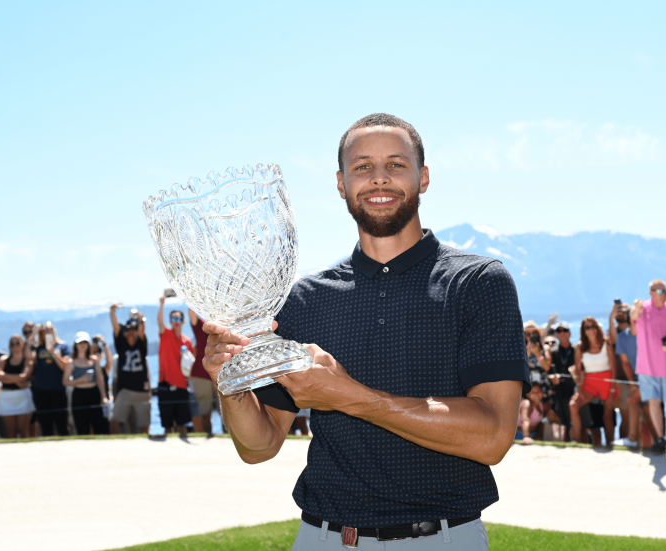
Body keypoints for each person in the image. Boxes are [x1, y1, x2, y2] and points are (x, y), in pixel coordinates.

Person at [202, 113, 526, 549]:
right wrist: (231, 384)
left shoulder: (477, 283)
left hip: (440, 538)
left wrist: (347, 396)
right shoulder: (305, 298)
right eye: (362, 167)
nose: (379, 179)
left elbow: (492, 437)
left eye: (396, 164)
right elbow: (258, 447)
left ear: (423, 177)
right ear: (341, 184)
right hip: (323, 537)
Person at [630, 279, 666, 453]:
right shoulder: (643, 308)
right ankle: (660, 439)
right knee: (653, 402)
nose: (663, 295)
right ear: (651, 293)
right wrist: (636, 309)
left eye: (665, 291)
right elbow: (633, 325)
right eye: (659, 291)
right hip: (646, 366)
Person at [569, 318, 617, 444]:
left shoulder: (606, 343)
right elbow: (578, 370)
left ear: (598, 328)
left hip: (607, 381)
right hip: (590, 382)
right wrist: (579, 389)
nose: (591, 330)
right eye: (587, 327)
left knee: (607, 416)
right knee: (573, 405)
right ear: (583, 331)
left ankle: (610, 444)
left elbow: (613, 367)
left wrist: (612, 389)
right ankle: (576, 440)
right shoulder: (581, 347)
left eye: (593, 326)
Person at [110, 305, 151, 434]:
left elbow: (142, 331)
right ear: (126, 332)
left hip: (141, 391)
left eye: (134, 329)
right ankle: (115, 446)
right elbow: (116, 328)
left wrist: (141, 320)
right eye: (129, 330)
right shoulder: (121, 345)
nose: (132, 332)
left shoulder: (141, 345)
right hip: (125, 390)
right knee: (115, 421)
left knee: (144, 425)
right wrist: (112, 312)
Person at [157, 295, 194, 438]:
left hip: (182, 386)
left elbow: (190, 365)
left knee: (182, 424)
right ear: (170, 322)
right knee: (167, 426)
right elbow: (160, 323)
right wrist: (162, 304)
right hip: (165, 384)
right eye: (173, 319)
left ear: (183, 321)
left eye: (178, 318)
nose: (175, 321)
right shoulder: (165, 334)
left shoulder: (187, 341)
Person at [60, 332, 109, 435]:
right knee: (82, 428)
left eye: (85, 342)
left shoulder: (94, 360)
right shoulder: (71, 362)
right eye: (80, 343)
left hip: (94, 394)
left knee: (99, 427)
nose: (82, 345)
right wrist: (79, 381)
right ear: (75, 345)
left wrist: (103, 396)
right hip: (79, 395)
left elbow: (100, 378)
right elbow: (65, 381)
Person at [609, 302, 642, 447]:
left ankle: (639, 440)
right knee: (626, 415)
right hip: (623, 379)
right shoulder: (617, 334)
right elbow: (614, 340)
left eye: (624, 312)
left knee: (646, 410)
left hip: (641, 377)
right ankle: (629, 440)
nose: (621, 314)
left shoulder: (640, 331)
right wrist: (611, 317)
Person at [29, 323, 70, 436]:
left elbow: (65, 366)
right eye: (44, 330)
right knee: (46, 425)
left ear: (54, 331)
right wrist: (34, 334)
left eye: (50, 329)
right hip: (40, 390)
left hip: (58, 389)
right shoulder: (37, 348)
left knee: (61, 424)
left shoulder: (63, 347)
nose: (47, 332)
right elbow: (28, 357)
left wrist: (53, 352)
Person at [188, 309, 215, 437]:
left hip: (221, 376)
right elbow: (192, 314)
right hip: (202, 376)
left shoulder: (225, 327)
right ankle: (208, 438)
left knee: (228, 414)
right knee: (205, 414)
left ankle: (228, 441)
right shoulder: (201, 327)